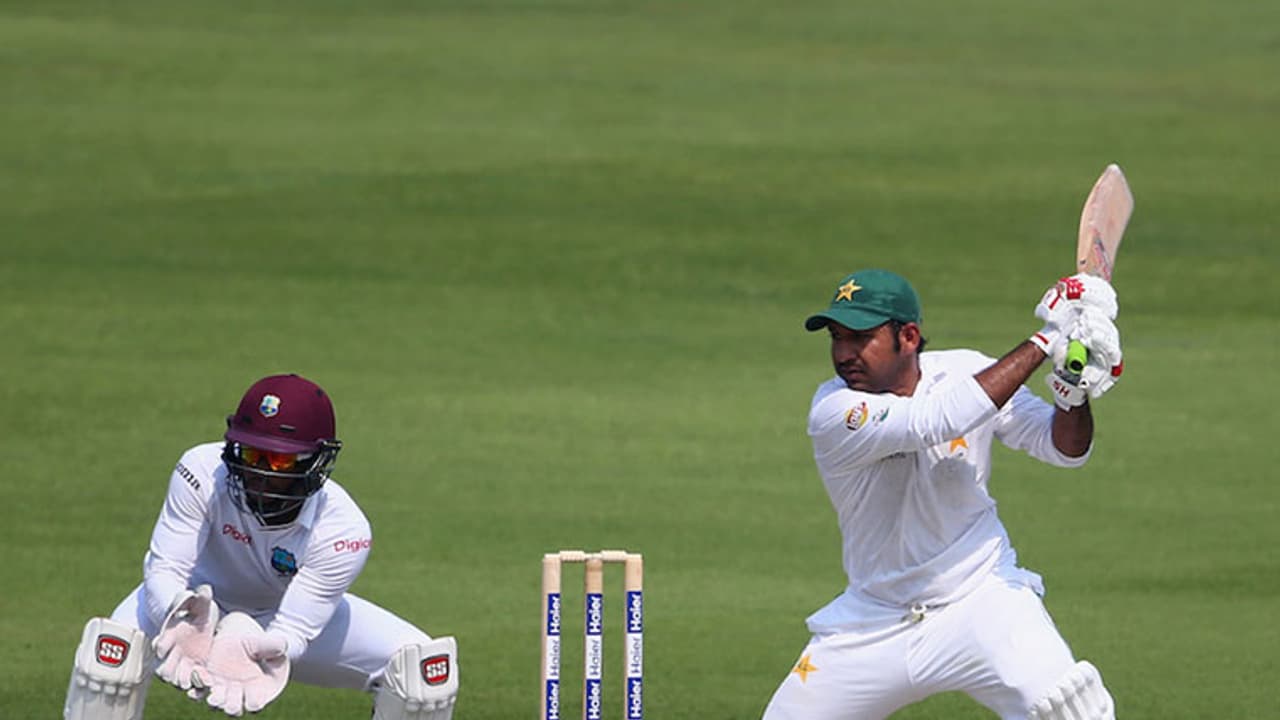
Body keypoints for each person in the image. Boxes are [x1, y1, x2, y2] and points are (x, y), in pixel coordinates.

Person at [761, 270, 1122, 720]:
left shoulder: (965, 371)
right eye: (837, 338)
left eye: (861, 338)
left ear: (908, 336)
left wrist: (1072, 392)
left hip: (983, 599)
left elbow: (1064, 449)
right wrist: (1049, 338)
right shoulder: (835, 410)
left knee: (1072, 709)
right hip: (873, 623)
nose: (844, 354)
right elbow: (936, 419)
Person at [64, 373, 459, 720]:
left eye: (280, 461)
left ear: (314, 462)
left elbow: (296, 628)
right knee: (110, 659)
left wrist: (264, 644)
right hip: (192, 602)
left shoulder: (343, 530)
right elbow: (165, 569)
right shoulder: (200, 471)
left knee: (423, 673)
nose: (260, 471)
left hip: (277, 616)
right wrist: (176, 612)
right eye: (253, 454)